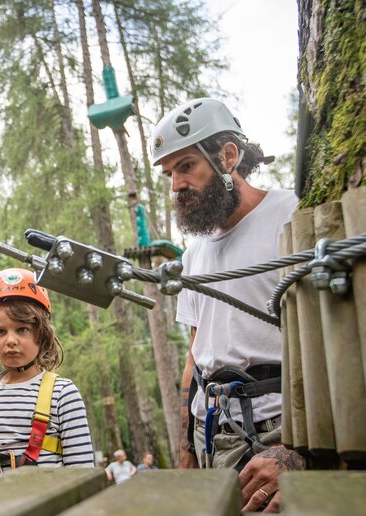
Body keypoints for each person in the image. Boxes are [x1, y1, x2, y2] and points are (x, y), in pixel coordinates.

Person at [151, 98, 304, 512]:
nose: (176, 185)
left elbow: (335, 346)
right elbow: (196, 356)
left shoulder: (292, 217)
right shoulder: (195, 253)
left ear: (227, 156)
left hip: (280, 433)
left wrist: (297, 451)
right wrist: (186, 451)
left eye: (186, 166)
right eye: (169, 174)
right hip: (213, 435)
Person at [0, 269, 95, 469]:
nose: (11, 341)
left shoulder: (62, 393)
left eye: (22, 329)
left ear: (41, 335)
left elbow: (82, 468)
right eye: (0, 331)